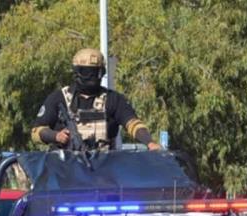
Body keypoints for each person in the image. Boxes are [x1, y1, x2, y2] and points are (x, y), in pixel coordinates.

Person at [30, 48, 161, 152]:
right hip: (64, 172)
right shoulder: (58, 98)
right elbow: (36, 132)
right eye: (86, 72)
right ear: (76, 72)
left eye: (96, 72)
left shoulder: (113, 99)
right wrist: (55, 136)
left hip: (104, 171)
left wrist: (150, 143)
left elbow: (133, 124)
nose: (92, 77)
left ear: (102, 72)